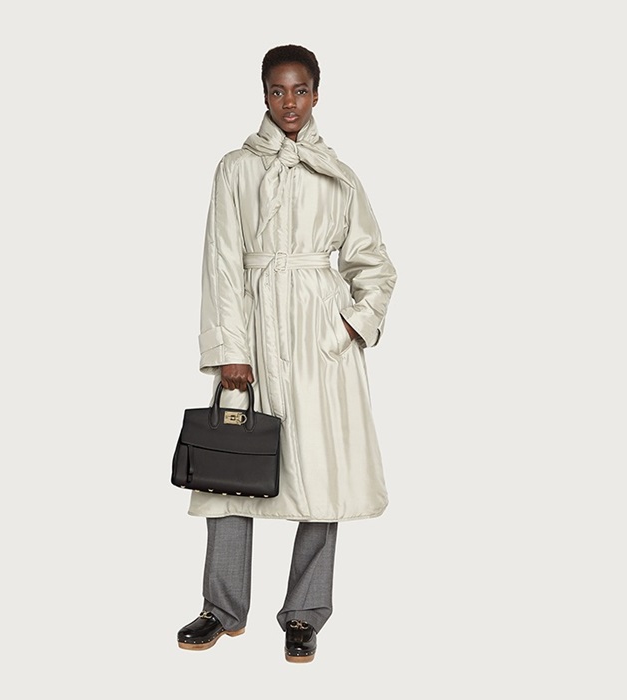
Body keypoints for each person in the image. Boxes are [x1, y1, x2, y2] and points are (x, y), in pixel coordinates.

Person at [177, 44, 397, 663]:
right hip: (252, 331)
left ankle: (304, 613)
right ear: (264, 95)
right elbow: (221, 262)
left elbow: (374, 264)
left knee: (322, 477)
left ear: (317, 94)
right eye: (278, 91)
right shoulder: (235, 168)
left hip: (321, 344)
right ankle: (222, 608)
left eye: (300, 90)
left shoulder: (339, 174)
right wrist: (230, 349)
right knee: (229, 469)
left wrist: (350, 326)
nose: (289, 102)